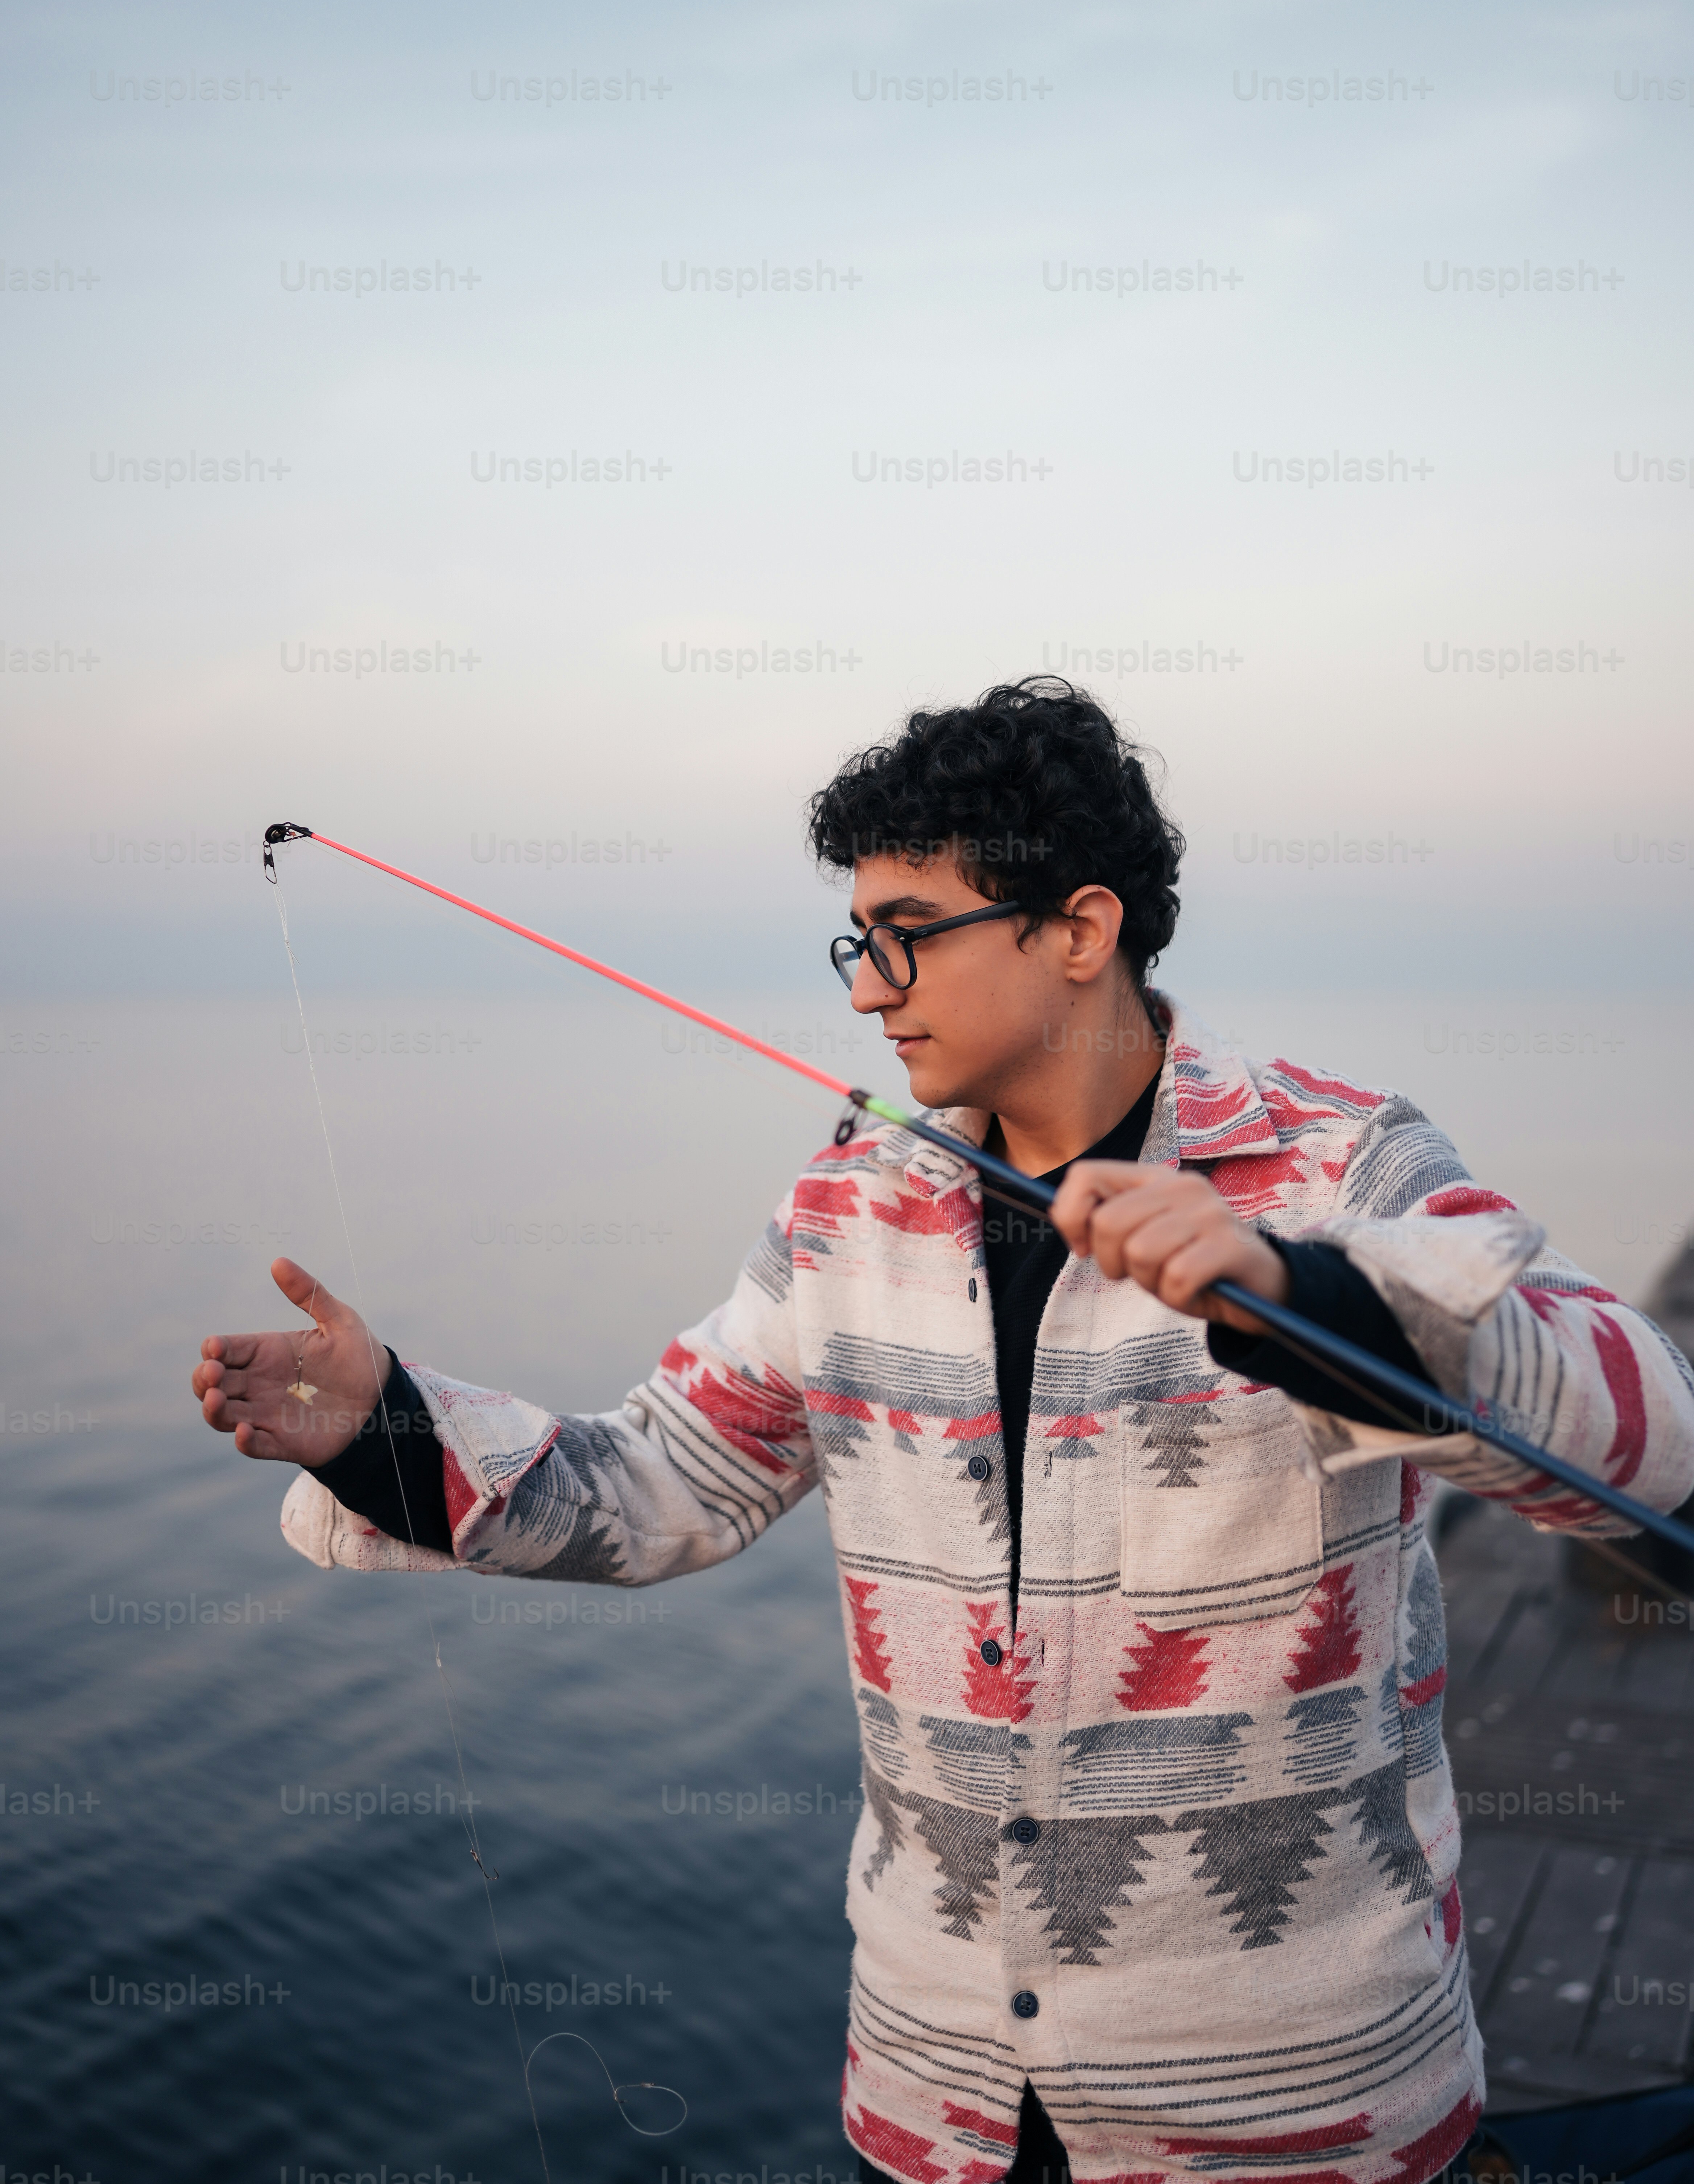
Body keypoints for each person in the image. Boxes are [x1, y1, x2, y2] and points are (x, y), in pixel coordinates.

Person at [192, 679, 1694, 2184]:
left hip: (1294, 2115)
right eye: (858, 939)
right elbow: (656, 1488)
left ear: (1078, 931)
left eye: (907, 932)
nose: (865, 987)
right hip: (934, 2107)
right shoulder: (843, 1203)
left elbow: (1644, 1429)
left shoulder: (1339, 1158)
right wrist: (376, 1424)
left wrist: (1294, 1288)